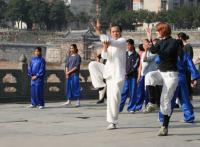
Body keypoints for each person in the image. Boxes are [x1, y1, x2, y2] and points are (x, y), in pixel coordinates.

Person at [89, 20, 126, 130]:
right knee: (92, 64)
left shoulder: (122, 41)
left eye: (117, 31)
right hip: (108, 72)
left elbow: (112, 42)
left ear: (120, 32)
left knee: (114, 98)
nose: (115, 33)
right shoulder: (108, 43)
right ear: (110, 33)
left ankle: (113, 121)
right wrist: (104, 46)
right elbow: (104, 56)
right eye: (113, 32)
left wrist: (98, 31)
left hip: (118, 74)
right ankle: (100, 85)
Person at [145, 22, 180, 136]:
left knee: (165, 101)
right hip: (161, 72)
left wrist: (153, 46)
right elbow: (154, 50)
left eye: (158, 30)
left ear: (163, 30)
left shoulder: (174, 42)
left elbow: (166, 54)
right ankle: (152, 102)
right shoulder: (160, 41)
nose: (157, 32)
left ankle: (164, 126)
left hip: (171, 75)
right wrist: (150, 39)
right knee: (149, 76)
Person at [159, 39, 200, 123]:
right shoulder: (185, 55)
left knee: (168, 99)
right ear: (182, 46)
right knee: (184, 99)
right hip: (182, 79)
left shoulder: (169, 55)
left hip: (171, 78)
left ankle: (163, 117)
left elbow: (157, 60)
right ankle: (189, 117)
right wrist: (195, 78)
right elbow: (192, 67)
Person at [135, 39, 158, 112]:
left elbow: (145, 60)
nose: (144, 45)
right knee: (140, 92)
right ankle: (138, 106)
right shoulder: (142, 54)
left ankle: (148, 106)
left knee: (148, 92)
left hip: (150, 75)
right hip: (143, 75)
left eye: (145, 44)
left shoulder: (153, 53)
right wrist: (139, 76)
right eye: (143, 44)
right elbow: (141, 65)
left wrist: (145, 51)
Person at [119, 39, 140, 113]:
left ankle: (131, 108)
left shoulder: (136, 55)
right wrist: (123, 73)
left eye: (128, 45)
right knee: (123, 93)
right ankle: (119, 108)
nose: (127, 46)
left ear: (132, 45)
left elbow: (135, 66)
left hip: (132, 77)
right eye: (126, 45)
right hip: (125, 77)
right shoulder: (124, 54)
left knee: (132, 93)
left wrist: (127, 73)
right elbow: (121, 64)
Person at [177, 32, 194, 100]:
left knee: (187, 84)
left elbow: (189, 58)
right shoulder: (182, 46)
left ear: (180, 38)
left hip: (186, 68)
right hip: (182, 68)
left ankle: (189, 100)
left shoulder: (188, 46)